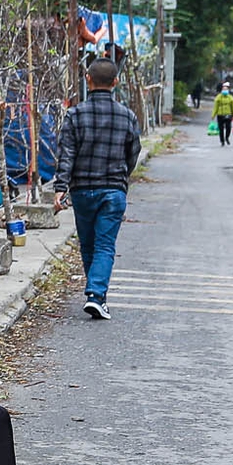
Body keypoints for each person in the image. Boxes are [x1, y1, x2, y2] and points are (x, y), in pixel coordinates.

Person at [55, 58, 141, 319]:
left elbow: (66, 154)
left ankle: (95, 293)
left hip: (82, 190)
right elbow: (133, 153)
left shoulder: (74, 115)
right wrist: (121, 176)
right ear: (115, 82)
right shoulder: (127, 116)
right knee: (105, 245)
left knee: (88, 245)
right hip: (113, 191)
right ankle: (96, 295)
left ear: (87, 79)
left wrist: (60, 187)